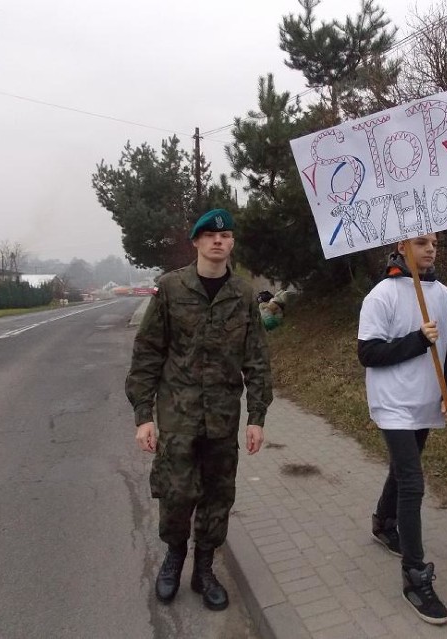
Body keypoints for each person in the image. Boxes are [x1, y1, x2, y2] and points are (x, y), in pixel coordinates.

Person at [125, 208, 273, 610]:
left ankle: (204, 569)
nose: (217, 241)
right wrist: (144, 416)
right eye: (209, 235)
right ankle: (174, 559)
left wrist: (256, 417)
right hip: (177, 415)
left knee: (217, 494)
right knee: (175, 493)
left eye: (225, 236)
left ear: (232, 244)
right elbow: (147, 355)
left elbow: (257, 359)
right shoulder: (171, 289)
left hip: (223, 418)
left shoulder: (242, 294)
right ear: (196, 243)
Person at [357, 233, 447, 625]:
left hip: (425, 402)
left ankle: (384, 523)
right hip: (393, 404)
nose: (431, 248)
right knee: (413, 481)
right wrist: (417, 340)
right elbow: (367, 353)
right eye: (421, 242)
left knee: (405, 470)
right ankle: (415, 576)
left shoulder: (442, 294)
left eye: (434, 242)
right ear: (402, 247)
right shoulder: (381, 295)